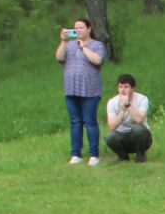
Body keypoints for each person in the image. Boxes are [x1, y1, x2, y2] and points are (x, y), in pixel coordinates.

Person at [53, 18, 106, 165]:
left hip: (90, 89)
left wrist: (83, 47)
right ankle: (75, 154)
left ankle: (94, 155)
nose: (78, 30)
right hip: (71, 88)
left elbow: (97, 60)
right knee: (75, 122)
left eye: (81, 27)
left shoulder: (97, 45)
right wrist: (63, 41)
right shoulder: (69, 45)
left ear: (89, 29)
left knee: (90, 121)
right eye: (75, 28)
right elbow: (59, 58)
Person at [105, 75, 153, 163]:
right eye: (120, 87)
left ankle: (141, 156)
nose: (122, 90)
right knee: (109, 137)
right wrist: (122, 110)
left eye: (126, 87)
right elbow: (112, 127)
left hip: (141, 137)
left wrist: (127, 105)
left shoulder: (142, 99)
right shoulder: (112, 102)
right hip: (122, 136)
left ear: (132, 89)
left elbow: (139, 119)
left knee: (138, 129)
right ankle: (123, 157)